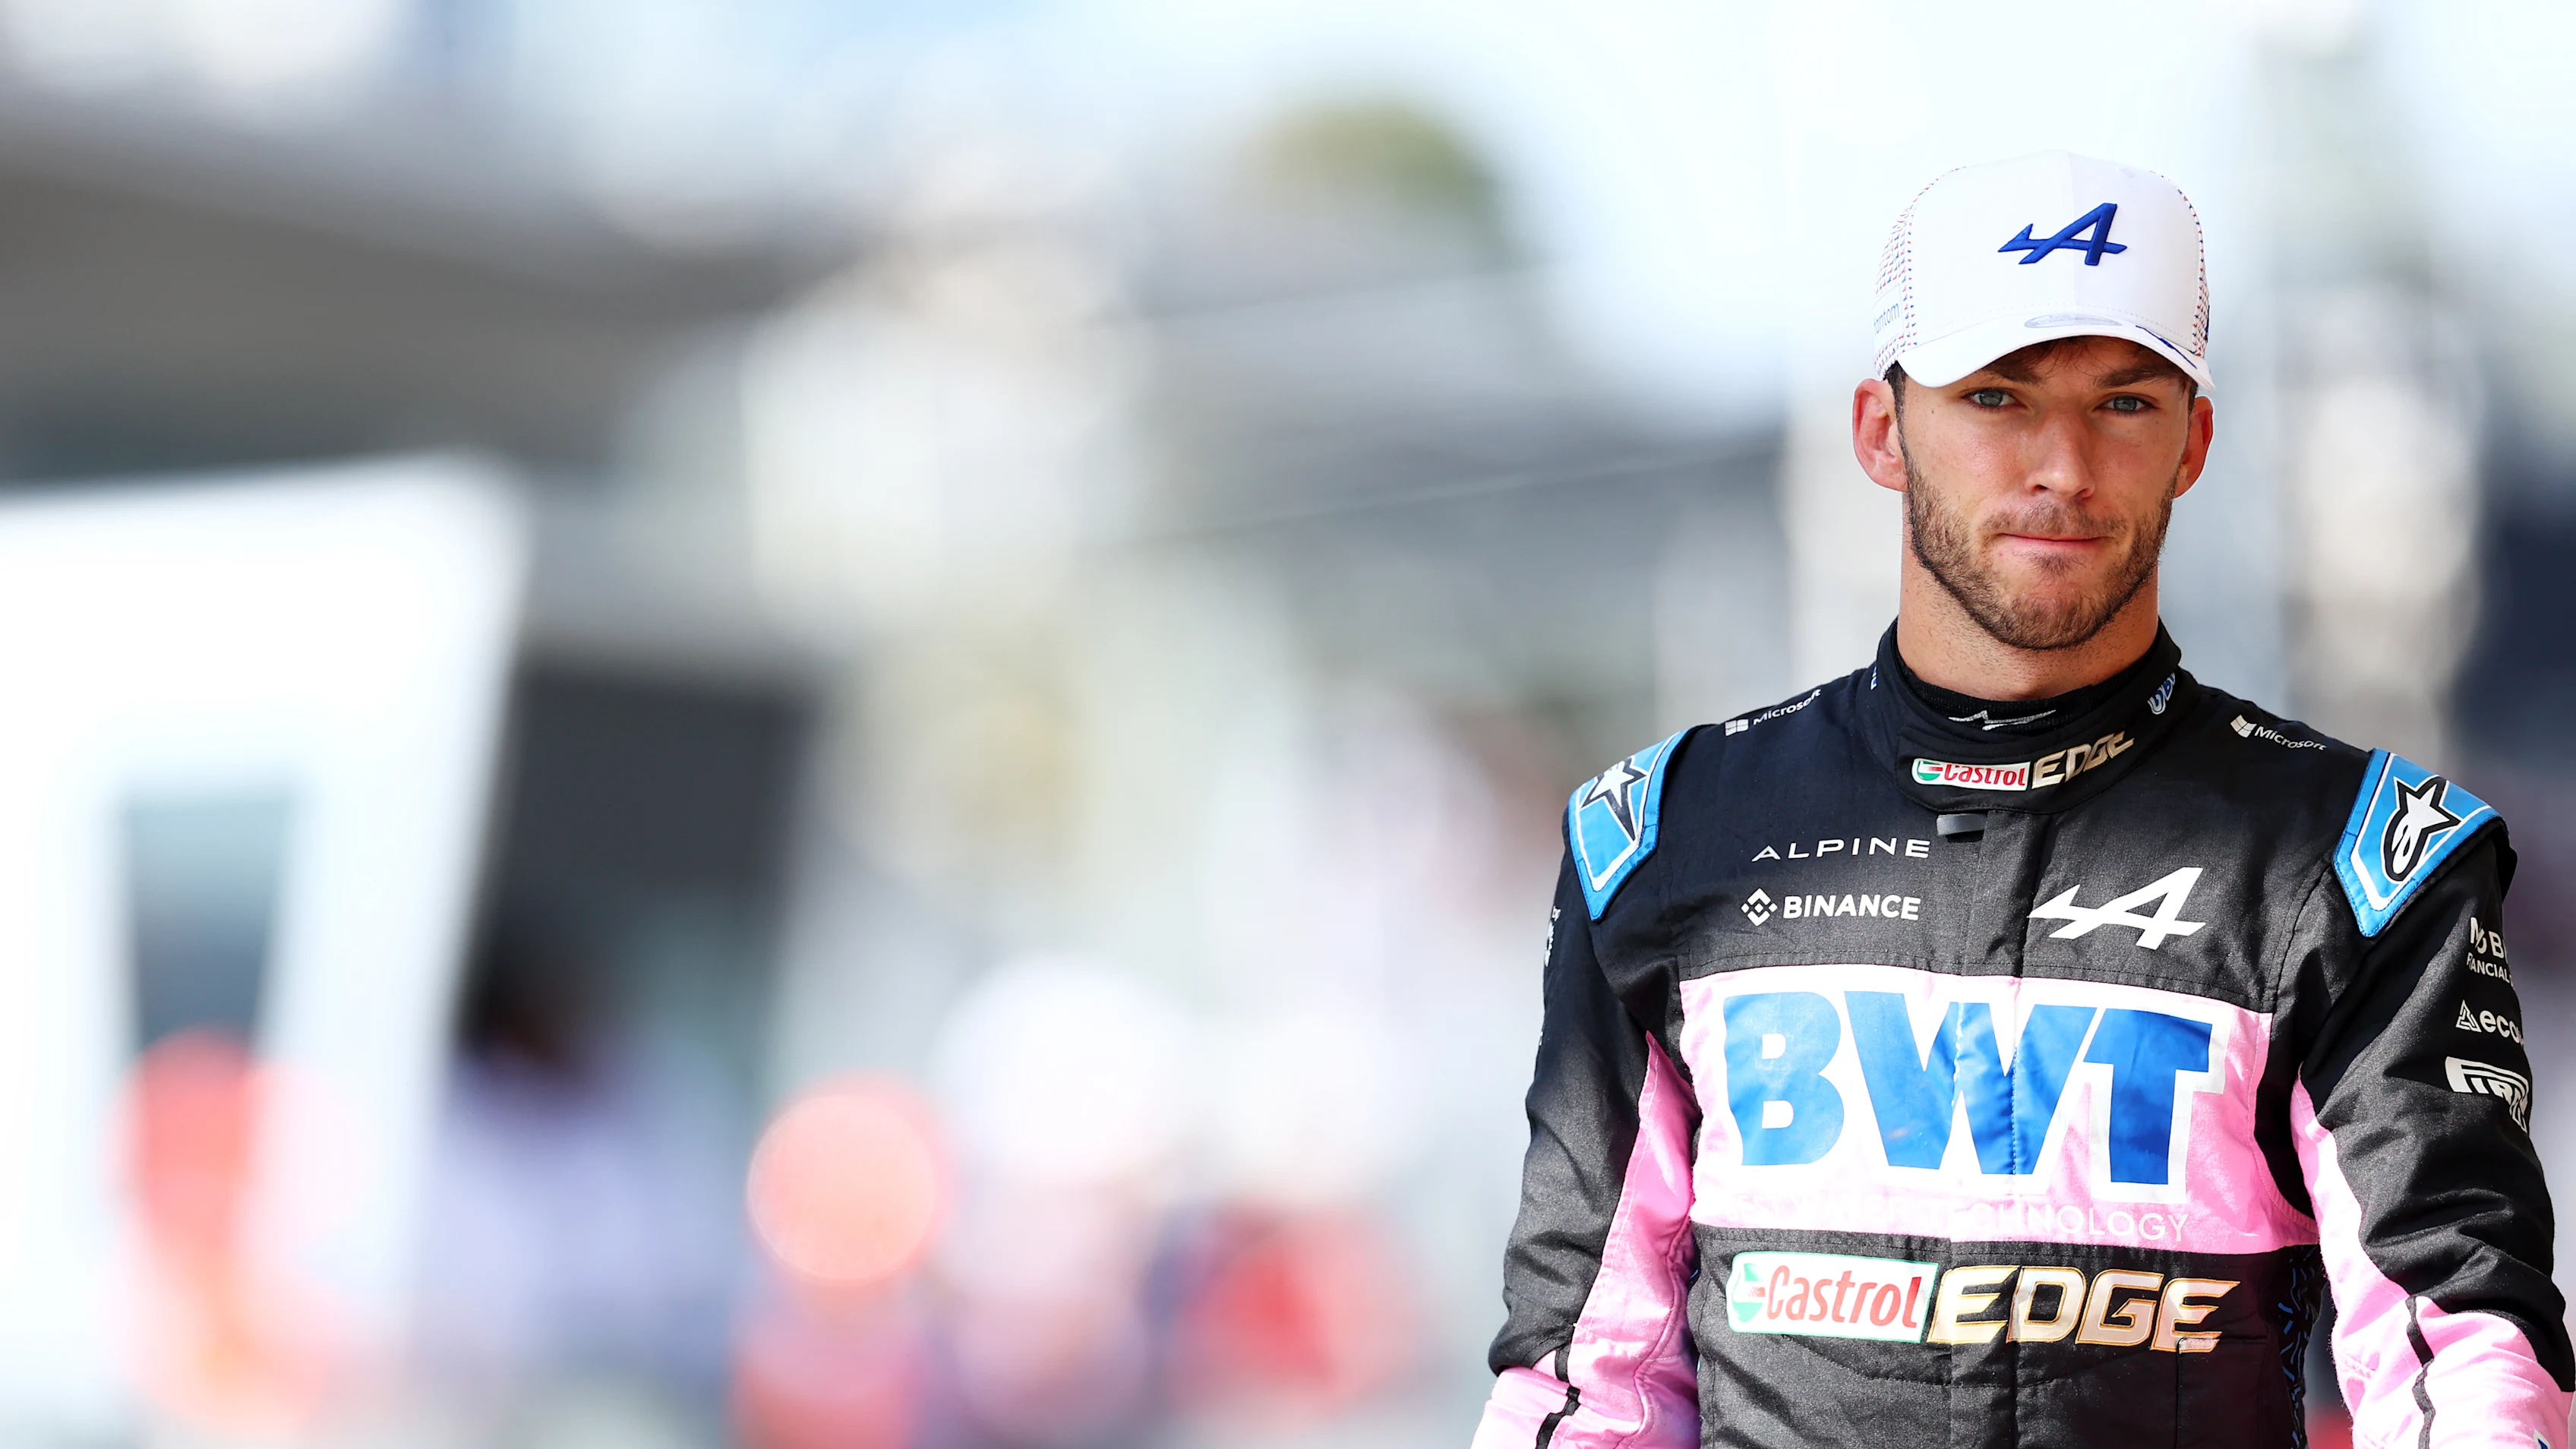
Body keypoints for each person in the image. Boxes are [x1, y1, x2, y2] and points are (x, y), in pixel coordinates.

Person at [1472, 150, 2569, 1448]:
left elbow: (2465, 1357)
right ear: (1882, 433)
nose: (2061, 463)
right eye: (1996, 395)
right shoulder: (1660, 840)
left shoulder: (2366, 861)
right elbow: (1584, 1378)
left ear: (2194, 442)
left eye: (2122, 401)